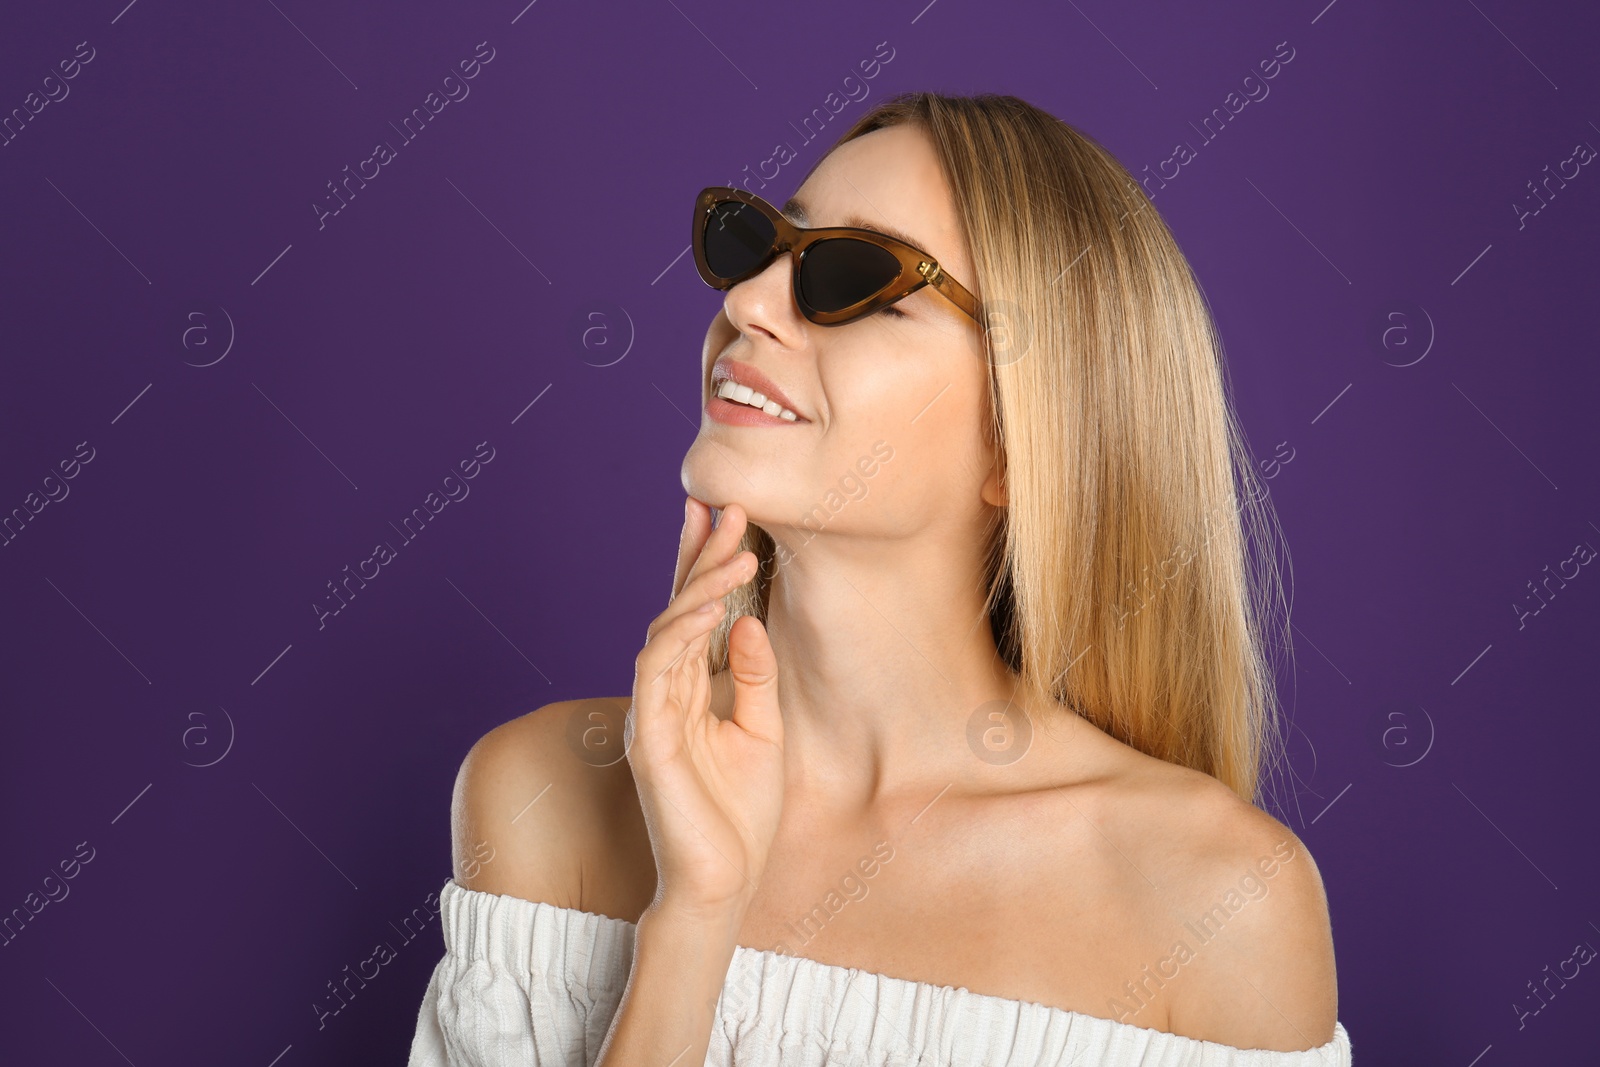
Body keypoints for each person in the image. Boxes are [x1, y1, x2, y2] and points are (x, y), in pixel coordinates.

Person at [407, 91, 1352, 1066]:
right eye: (756, 244)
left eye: (853, 279)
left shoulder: (1220, 901)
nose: (745, 302)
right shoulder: (537, 797)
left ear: (1021, 446)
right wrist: (692, 915)